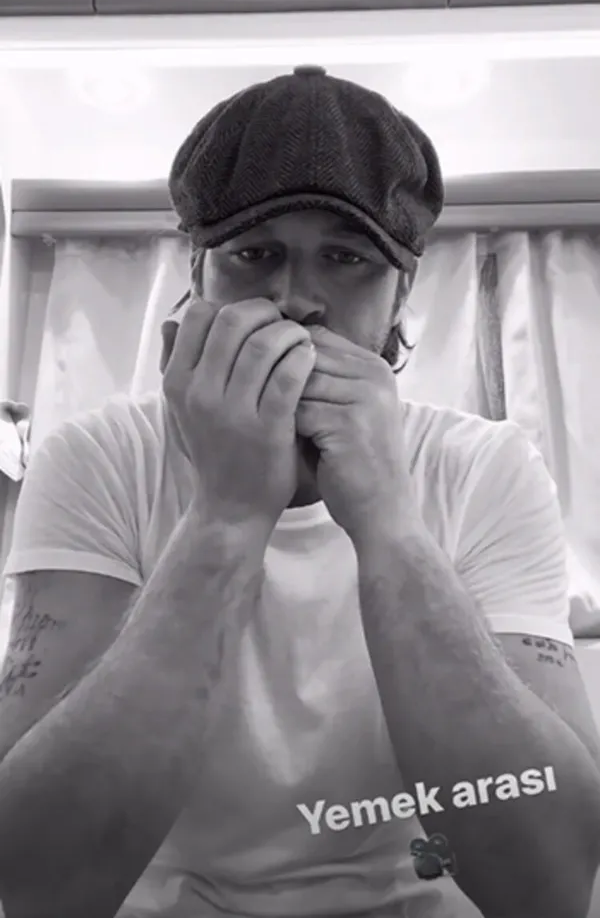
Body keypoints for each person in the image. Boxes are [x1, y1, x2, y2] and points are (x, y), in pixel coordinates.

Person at [0, 65, 599, 918]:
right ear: (197, 273)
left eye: (346, 258)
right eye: (255, 254)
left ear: (403, 291)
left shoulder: (486, 468)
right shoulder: (98, 458)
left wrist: (387, 520)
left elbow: (548, 886)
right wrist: (227, 515)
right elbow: (35, 883)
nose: (296, 300)